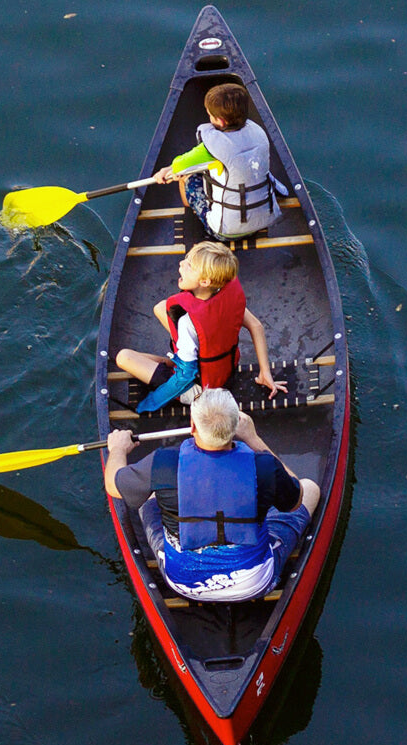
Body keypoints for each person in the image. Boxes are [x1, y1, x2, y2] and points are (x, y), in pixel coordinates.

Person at [102, 389, 321, 603]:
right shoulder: (264, 466)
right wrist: (254, 439)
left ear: (193, 427)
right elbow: (296, 500)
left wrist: (118, 449)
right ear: (235, 427)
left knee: (146, 492)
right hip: (253, 583)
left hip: (185, 585)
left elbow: (113, 485)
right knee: (310, 488)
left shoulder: (163, 464)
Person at [115, 241, 286, 412]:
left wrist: (150, 403)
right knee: (161, 308)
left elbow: (184, 377)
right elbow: (256, 326)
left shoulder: (187, 322)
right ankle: (174, 361)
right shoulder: (224, 287)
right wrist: (265, 372)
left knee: (123, 357)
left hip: (201, 388)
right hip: (226, 368)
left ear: (204, 281)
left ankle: (172, 364)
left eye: (189, 265)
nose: (181, 264)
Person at [153, 83, 286, 239]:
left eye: (210, 115)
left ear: (221, 121)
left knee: (187, 178)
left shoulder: (209, 148)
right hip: (264, 220)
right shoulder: (258, 132)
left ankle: (192, 216)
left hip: (225, 232)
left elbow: (178, 166)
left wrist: (163, 172)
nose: (209, 118)